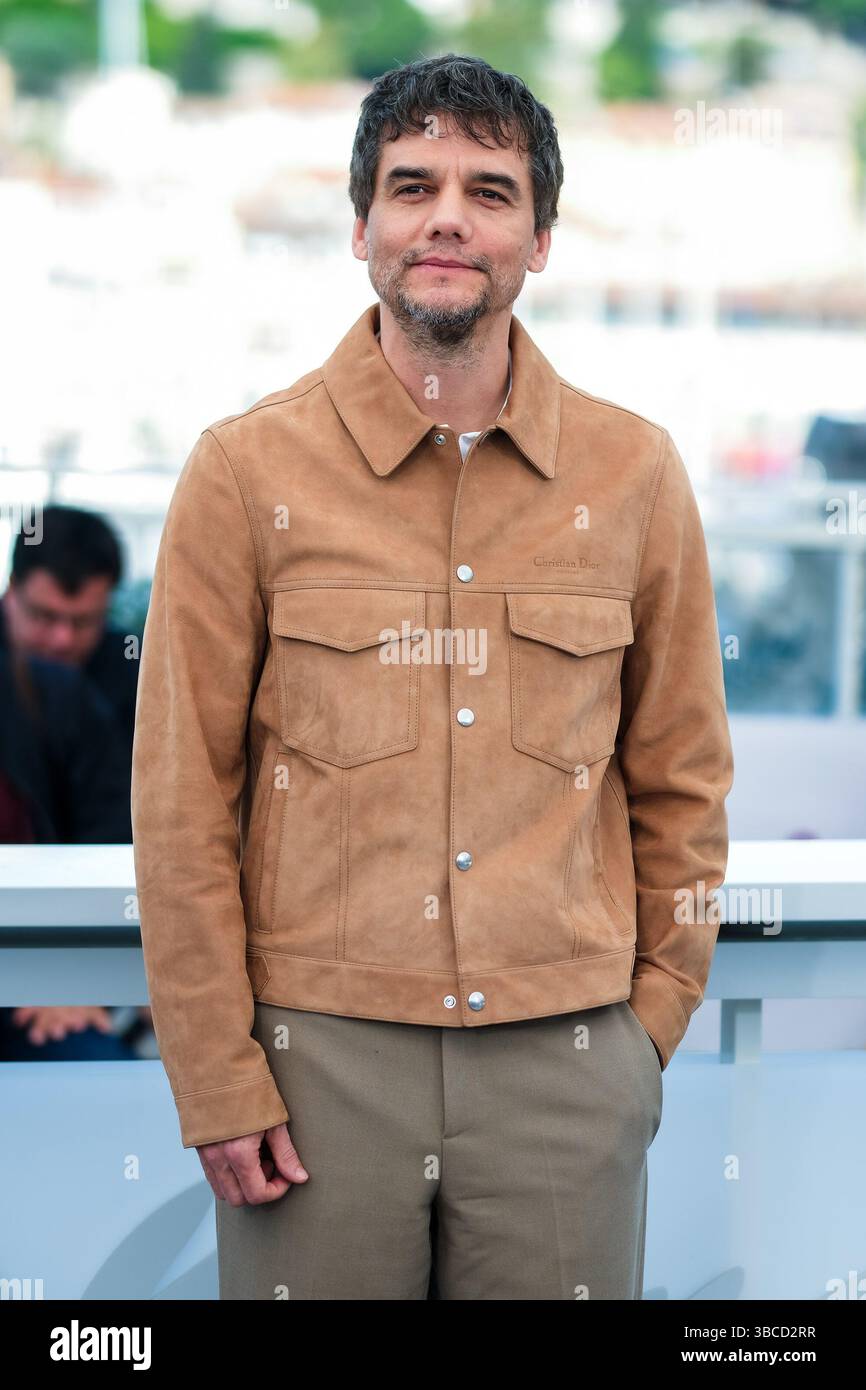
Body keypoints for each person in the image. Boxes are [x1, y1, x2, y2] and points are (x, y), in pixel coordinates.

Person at [131, 54, 734, 1300]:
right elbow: (182, 804)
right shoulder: (243, 474)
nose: (447, 215)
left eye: (489, 189)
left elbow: (682, 782)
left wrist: (646, 1033)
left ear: (539, 238)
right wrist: (214, 1069)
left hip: (565, 1067)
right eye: (411, 187)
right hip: (313, 1075)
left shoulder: (633, 476)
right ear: (362, 229)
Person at [0, 505, 140, 774]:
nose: (63, 640)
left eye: (84, 621)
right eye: (44, 616)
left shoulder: (131, 672)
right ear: (11, 589)